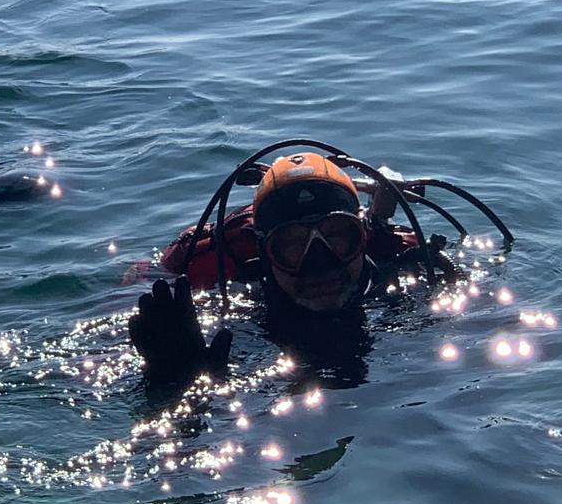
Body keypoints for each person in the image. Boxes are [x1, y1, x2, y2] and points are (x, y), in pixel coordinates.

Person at [130, 148, 509, 385]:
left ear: (362, 237)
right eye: (292, 245)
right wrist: (175, 380)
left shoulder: (414, 285)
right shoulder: (233, 315)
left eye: (338, 237)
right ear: (264, 252)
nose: (320, 263)